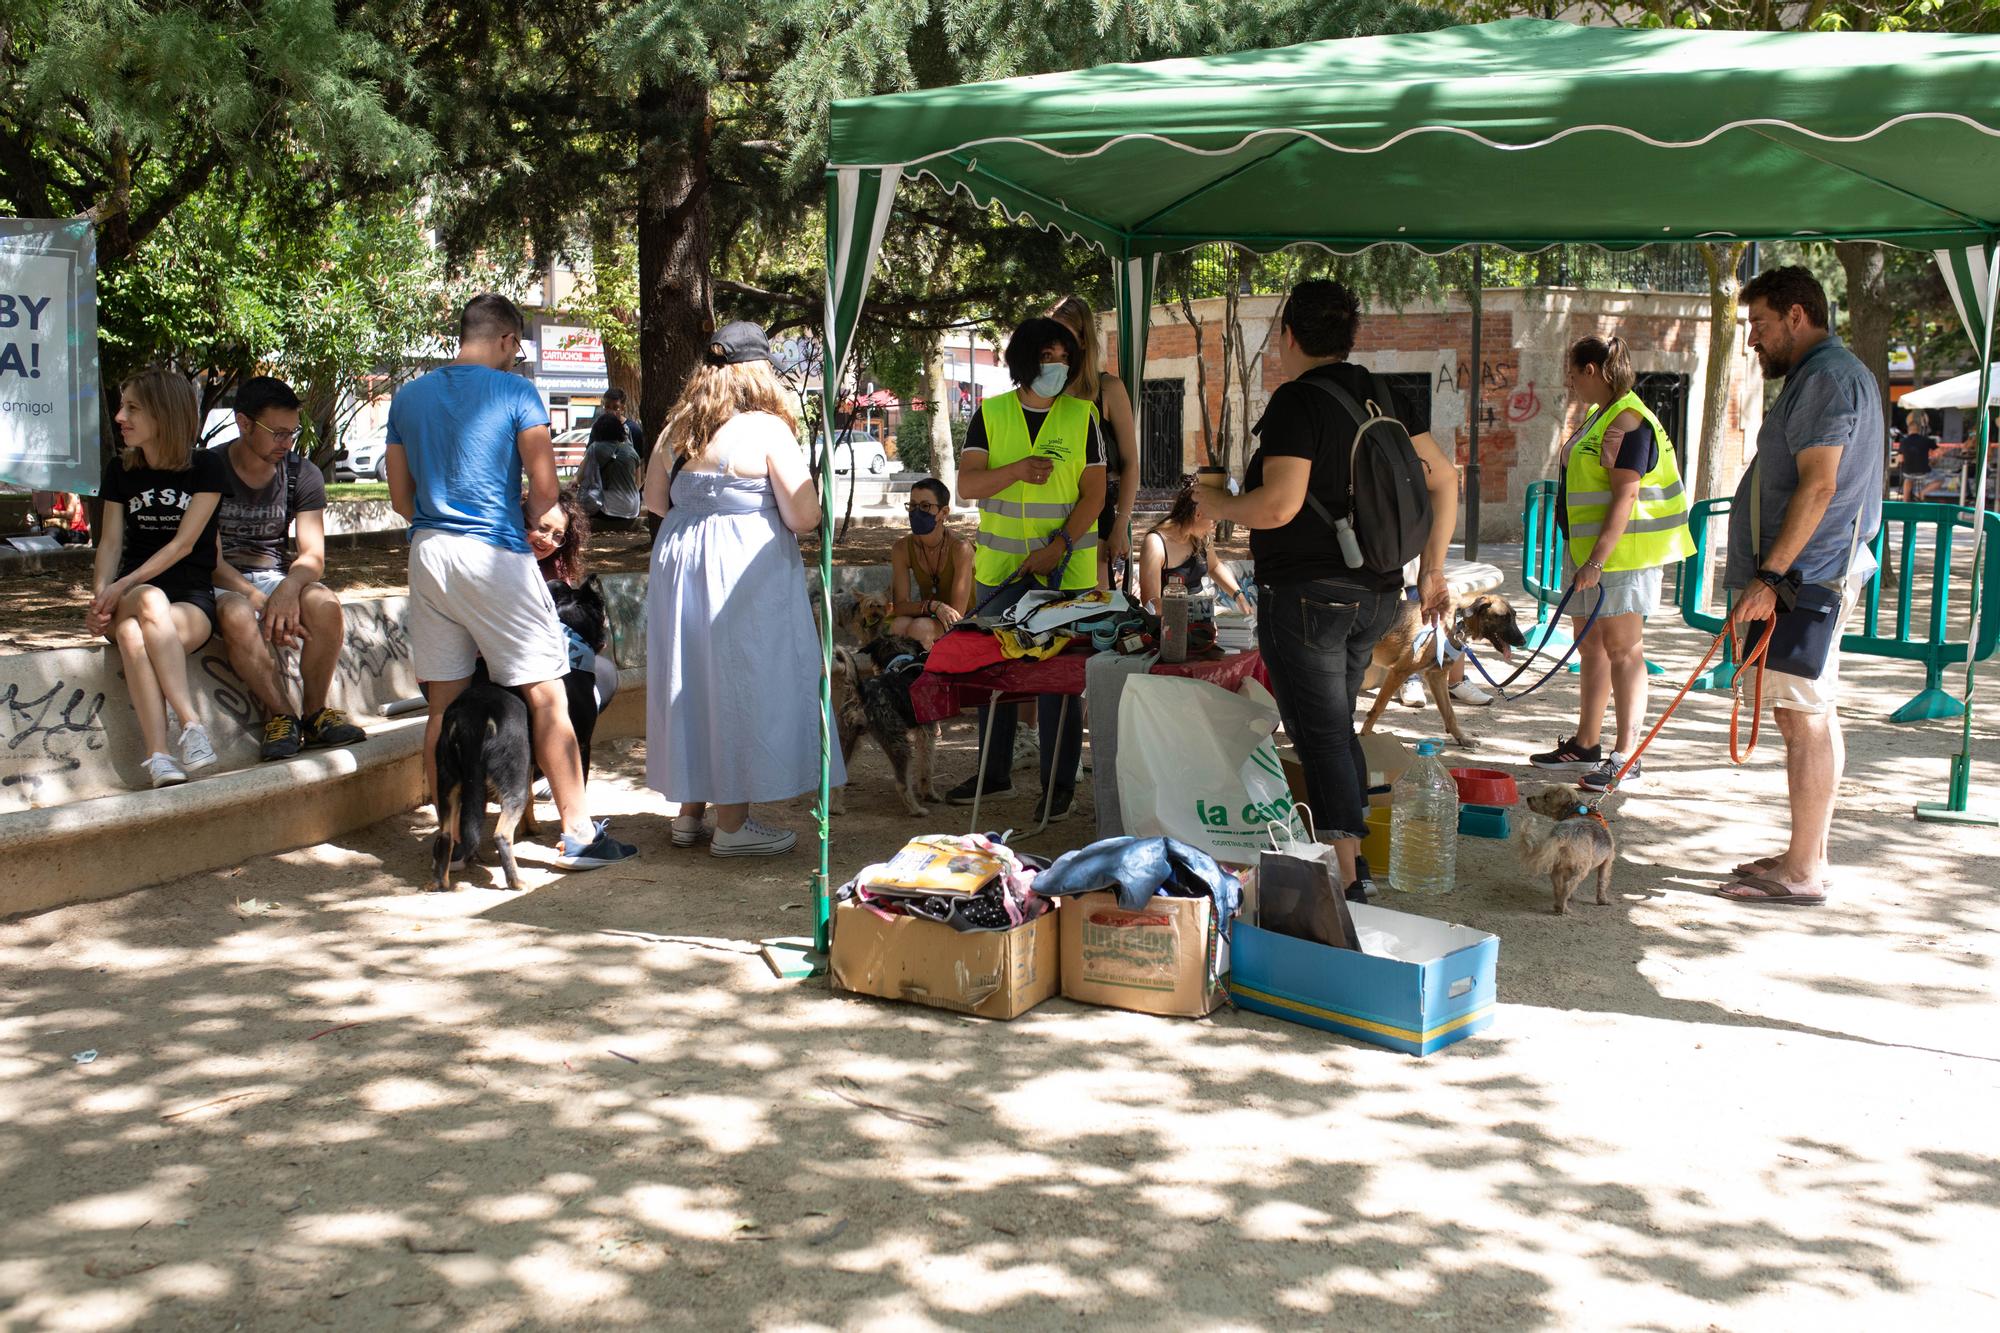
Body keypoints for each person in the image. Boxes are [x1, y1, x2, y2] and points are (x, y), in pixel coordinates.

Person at [1194, 280, 1458, 895]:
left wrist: (1218, 501)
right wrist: (1434, 569)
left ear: (1288, 335)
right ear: (1349, 334)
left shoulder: (1296, 402)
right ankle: (1348, 862)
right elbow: (1445, 478)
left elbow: (1280, 506)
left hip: (1310, 596)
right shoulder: (1384, 392)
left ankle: (1347, 880)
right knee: (1335, 726)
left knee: (1325, 735)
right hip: (1379, 595)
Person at [385, 293, 635, 873]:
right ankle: (578, 832)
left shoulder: (408, 396)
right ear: (503, 339)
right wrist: (531, 518)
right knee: (547, 693)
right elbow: (546, 492)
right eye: (517, 346)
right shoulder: (517, 392)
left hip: (428, 553)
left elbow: (402, 499)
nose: (516, 357)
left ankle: (448, 833)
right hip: (492, 553)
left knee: (443, 707)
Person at [1717, 266, 1884, 907]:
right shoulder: (1835, 374)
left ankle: (1804, 872)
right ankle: (1807, 853)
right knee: (1810, 712)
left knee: (1801, 716)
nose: (1753, 340)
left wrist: (1769, 576)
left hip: (1805, 579)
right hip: (1811, 575)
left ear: (1795, 314)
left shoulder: (1826, 377)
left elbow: (1820, 485)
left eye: (1759, 324)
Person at [642, 320, 841, 856]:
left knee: (692, 676)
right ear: (761, 371)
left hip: (680, 562)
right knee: (738, 681)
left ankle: (690, 813)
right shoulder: (766, 429)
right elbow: (804, 516)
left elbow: (654, 503)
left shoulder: (676, 428)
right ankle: (732, 824)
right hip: (741, 564)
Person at [945, 315, 1110, 818]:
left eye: (1064, 359)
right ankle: (994, 774)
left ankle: (1057, 786)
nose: (1056, 367)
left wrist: (1059, 545)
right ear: (1024, 361)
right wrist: (1016, 470)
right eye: (1046, 357)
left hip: (1065, 573)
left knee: (1057, 681)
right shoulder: (990, 414)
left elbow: (1096, 493)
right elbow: (967, 487)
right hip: (1000, 572)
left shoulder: (1084, 416)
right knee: (996, 671)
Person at [1529, 336, 1695, 792]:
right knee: (1592, 648)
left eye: (1572, 372)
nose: (1570, 382)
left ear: (1592, 371)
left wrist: (1597, 562)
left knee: (1624, 650)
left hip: (1621, 557)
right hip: (1589, 553)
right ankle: (1586, 744)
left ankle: (1627, 754)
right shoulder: (1602, 416)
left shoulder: (1629, 418)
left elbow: (1626, 494)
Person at [209, 375, 367, 761]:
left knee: (325, 603)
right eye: (277, 433)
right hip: (221, 579)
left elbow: (313, 555)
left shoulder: (301, 473)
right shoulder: (209, 468)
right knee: (237, 613)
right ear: (244, 423)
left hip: (275, 576)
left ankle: (314, 714)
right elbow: (209, 562)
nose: (286, 444)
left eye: (292, 434)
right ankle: (281, 716)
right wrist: (262, 600)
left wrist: (286, 590)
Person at [88, 368, 233, 788]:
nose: (120, 417)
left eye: (132, 408)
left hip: (190, 597)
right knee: (148, 600)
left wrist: (117, 590)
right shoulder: (121, 470)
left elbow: (184, 545)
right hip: (134, 595)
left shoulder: (206, 468)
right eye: (122, 406)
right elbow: (110, 545)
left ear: (164, 414)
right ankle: (191, 724)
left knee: (135, 635)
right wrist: (101, 600)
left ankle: (159, 757)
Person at [1048, 296, 1139, 590]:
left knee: (1092, 610)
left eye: (1065, 336)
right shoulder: (1043, 392)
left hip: (1098, 514)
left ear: (1084, 340)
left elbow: (1130, 463)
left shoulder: (1108, 389)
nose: (1056, 345)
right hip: (1047, 515)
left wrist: (1121, 526)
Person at [1137, 478, 1253, 615]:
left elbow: (1214, 567)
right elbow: (1151, 604)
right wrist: (1198, 611)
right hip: (1169, 625)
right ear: (1198, 514)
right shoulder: (1155, 544)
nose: (1214, 527)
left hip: (1198, 619)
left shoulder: (1201, 538)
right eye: (1214, 520)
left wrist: (1239, 596)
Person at [886, 476, 973, 648]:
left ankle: (927, 674)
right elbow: (900, 606)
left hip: (966, 618)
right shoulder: (902, 548)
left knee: (920, 628)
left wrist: (934, 609)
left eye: (925, 506)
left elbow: (957, 614)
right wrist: (933, 606)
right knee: (898, 626)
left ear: (944, 513)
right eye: (912, 505)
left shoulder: (960, 548)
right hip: (931, 613)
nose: (916, 512)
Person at [575, 411, 644, 527]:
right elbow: (638, 483)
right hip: (632, 509)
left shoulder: (595, 448)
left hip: (607, 510)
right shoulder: (631, 451)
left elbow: (580, 476)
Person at [1897, 414, 1937, 502]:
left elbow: (1900, 459)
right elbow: (1937, 452)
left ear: (1908, 430)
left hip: (1908, 472)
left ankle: (1905, 501)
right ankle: (1921, 493)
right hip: (1923, 473)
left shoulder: (1903, 442)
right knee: (1941, 478)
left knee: (1908, 478)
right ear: (1919, 430)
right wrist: (1933, 459)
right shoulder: (1926, 440)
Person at [603, 386, 648, 464]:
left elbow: (640, 461)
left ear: (623, 408)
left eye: (615, 408)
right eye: (607, 407)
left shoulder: (633, 429)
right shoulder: (598, 428)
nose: (610, 411)